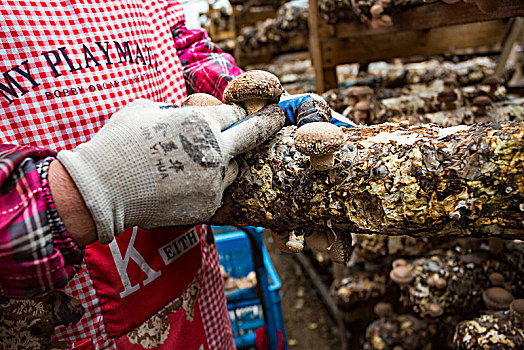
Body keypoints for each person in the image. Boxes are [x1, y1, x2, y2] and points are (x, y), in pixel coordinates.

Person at [0, 1, 351, 349]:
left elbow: (185, 48)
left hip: (189, 286)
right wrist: (88, 189)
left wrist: (247, 101)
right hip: (63, 315)